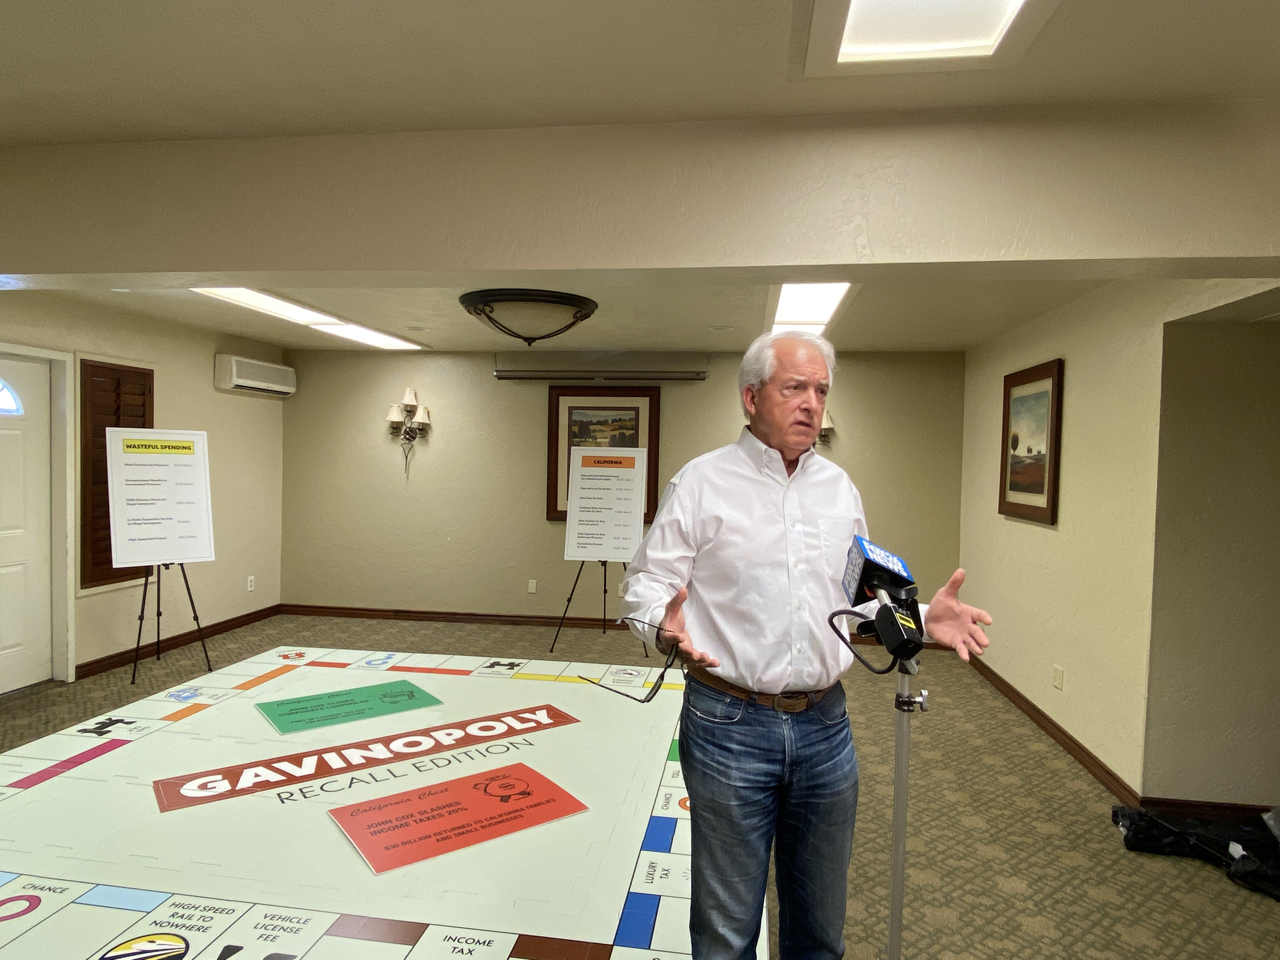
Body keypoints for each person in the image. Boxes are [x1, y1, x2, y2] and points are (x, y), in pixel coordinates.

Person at [621, 330, 991, 959]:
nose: (811, 404)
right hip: (728, 724)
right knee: (727, 929)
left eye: (820, 390)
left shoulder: (839, 489)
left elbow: (855, 599)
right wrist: (663, 624)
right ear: (750, 397)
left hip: (826, 725)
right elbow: (647, 583)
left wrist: (923, 618)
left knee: (819, 928)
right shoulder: (702, 483)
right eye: (794, 388)